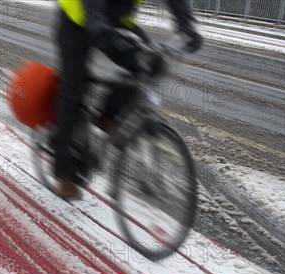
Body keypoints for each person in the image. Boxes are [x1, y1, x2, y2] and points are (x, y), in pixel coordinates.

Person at [52, 0, 202, 200]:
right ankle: (65, 175)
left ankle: (107, 114)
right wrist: (95, 18)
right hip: (76, 18)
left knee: (151, 64)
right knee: (75, 93)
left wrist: (186, 24)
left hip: (115, 22)